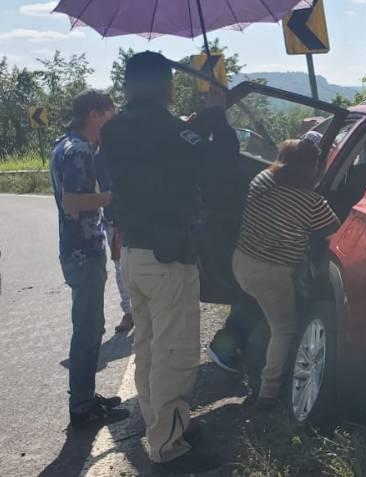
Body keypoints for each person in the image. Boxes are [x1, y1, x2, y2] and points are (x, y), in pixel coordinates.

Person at [99, 51, 238, 473]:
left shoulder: (114, 129)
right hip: (169, 260)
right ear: (166, 86)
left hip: (133, 256)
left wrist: (199, 123)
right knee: (175, 358)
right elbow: (222, 167)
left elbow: (159, 152)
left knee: (149, 350)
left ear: (127, 86)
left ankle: (157, 425)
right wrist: (217, 117)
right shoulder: (170, 130)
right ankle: (168, 446)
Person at [232, 139, 340, 410]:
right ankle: (268, 391)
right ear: (314, 169)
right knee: (284, 330)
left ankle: (239, 361)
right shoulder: (312, 202)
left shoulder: (263, 179)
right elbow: (333, 230)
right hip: (271, 274)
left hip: (241, 261)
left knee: (260, 314)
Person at [49, 89, 127, 427]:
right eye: (110, 114)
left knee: (91, 326)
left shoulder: (66, 144)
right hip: (83, 251)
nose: (113, 121)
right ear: (95, 114)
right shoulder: (78, 151)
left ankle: (86, 395)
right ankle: (82, 407)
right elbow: (73, 202)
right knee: (87, 329)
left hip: (78, 248)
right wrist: (116, 196)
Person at [93, 153, 133, 333]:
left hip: (139, 220)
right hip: (113, 222)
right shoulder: (97, 158)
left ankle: (145, 311)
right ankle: (129, 312)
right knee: (120, 269)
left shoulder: (135, 148)